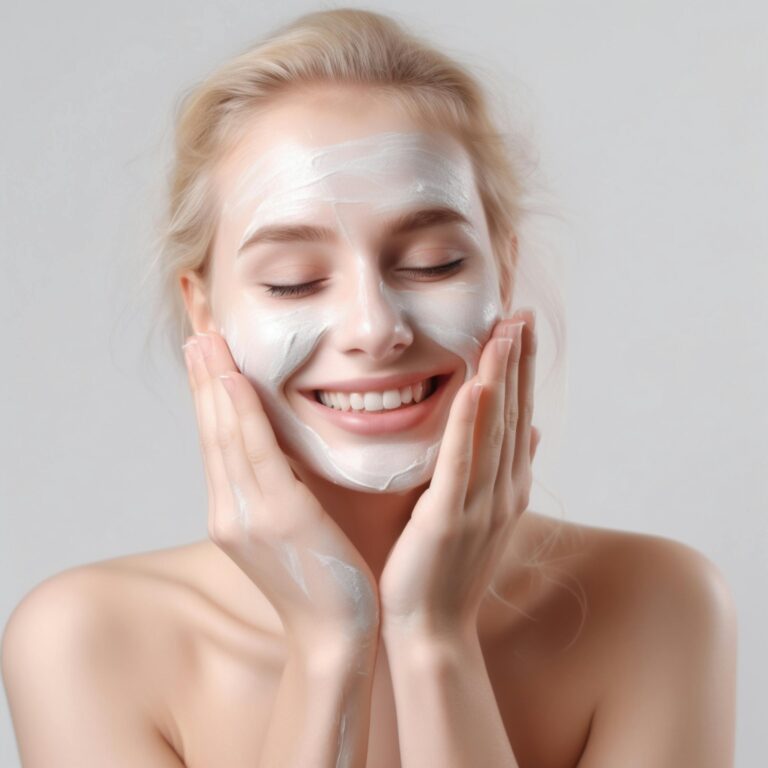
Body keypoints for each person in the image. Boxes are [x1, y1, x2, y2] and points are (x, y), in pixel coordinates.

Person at [1, 8, 737, 767]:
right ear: (203, 308)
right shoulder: (86, 643)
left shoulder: (658, 606)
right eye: (293, 281)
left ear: (503, 272)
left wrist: (433, 639)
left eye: (432, 263)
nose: (374, 326)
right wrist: (328, 648)